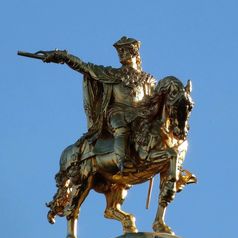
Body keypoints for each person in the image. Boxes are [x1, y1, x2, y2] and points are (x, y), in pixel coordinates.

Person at [43, 36, 156, 171]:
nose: (120, 54)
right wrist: (62, 56)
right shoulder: (110, 73)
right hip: (117, 112)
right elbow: (84, 67)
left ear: (134, 53)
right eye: (119, 51)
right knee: (121, 129)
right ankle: (121, 160)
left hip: (140, 115)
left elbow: (154, 100)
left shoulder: (148, 79)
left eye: (124, 50)